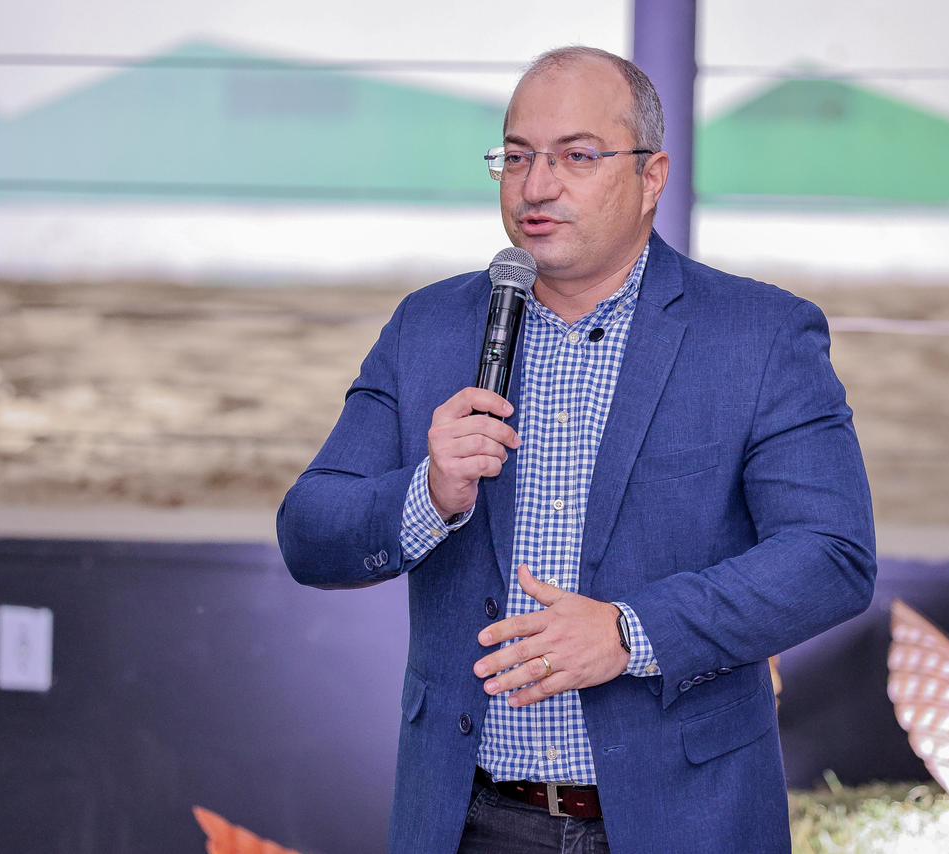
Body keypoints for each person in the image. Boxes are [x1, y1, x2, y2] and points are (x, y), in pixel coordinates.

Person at [277, 45, 876, 854]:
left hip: (683, 820)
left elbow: (832, 555)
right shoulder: (430, 328)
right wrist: (430, 494)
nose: (537, 186)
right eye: (517, 156)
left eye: (577, 156)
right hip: (470, 819)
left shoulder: (759, 335)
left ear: (652, 177)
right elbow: (309, 531)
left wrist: (630, 633)